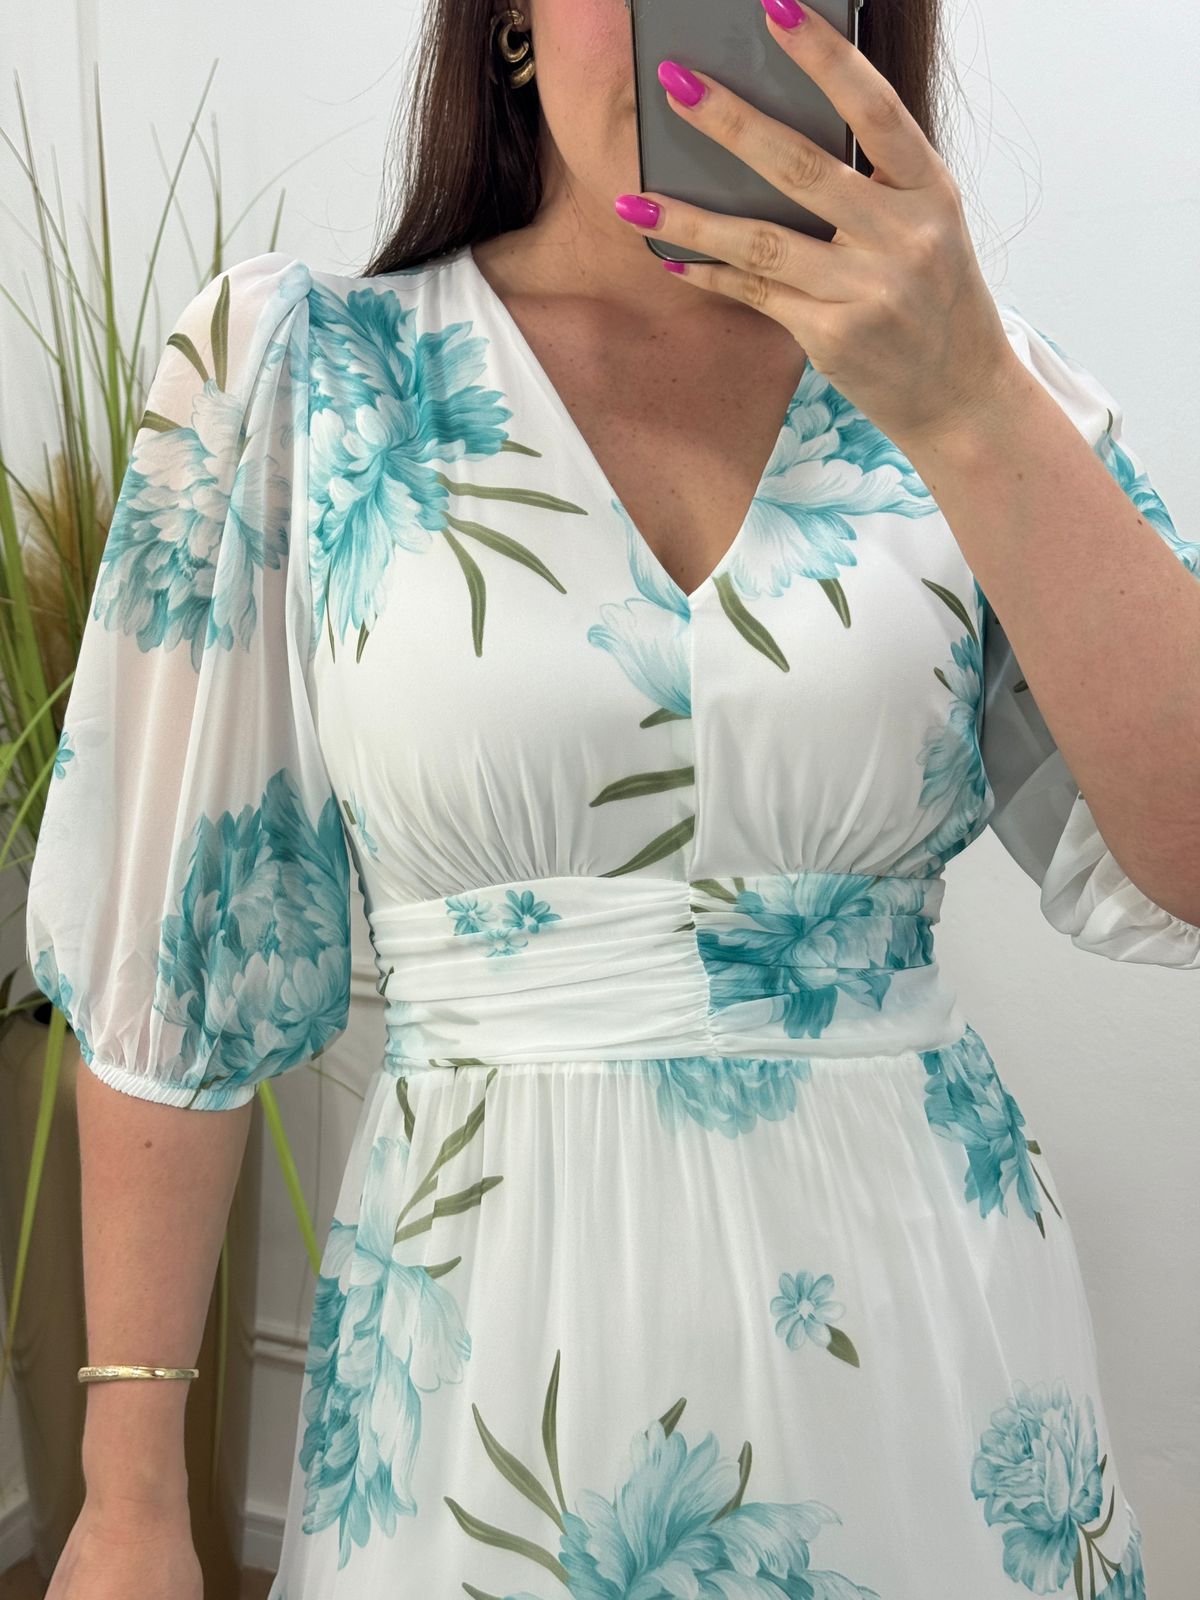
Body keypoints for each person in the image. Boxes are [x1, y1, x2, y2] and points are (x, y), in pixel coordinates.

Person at [26, 2, 1198, 1596]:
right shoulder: (303, 372)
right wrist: (130, 1499)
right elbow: (176, 963)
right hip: (481, 1359)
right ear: (509, 18)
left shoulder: (978, 387)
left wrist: (971, 399)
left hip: (931, 1347)